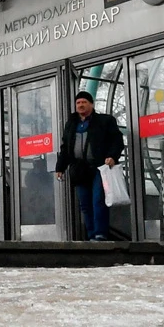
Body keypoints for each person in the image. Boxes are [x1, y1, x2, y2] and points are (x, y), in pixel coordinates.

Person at [55, 90, 125, 241]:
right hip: (80, 170)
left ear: (91, 104)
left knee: (98, 200)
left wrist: (112, 156)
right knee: (85, 204)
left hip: (100, 169)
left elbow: (117, 140)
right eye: (78, 103)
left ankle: (100, 234)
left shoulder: (105, 121)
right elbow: (65, 147)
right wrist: (60, 167)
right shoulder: (71, 124)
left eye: (84, 102)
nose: (80, 105)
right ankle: (91, 235)